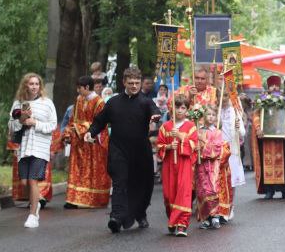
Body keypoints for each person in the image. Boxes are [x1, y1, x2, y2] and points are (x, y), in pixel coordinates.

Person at [88, 66, 162, 233]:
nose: (134, 86)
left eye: (137, 83)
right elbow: (100, 121)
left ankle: (140, 213)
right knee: (119, 182)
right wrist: (90, 132)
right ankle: (116, 217)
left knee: (142, 184)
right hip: (118, 149)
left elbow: (154, 111)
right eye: (131, 83)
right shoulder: (113, 102)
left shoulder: (145, 102)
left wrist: (155, 117)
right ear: (124, 82)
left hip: (140, 151)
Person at [9, 73, 57, 229]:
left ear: (40, 86)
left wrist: (35, 122)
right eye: (31, 84)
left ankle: (33, 214)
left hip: (40, 147)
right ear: (25, 85)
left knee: (33, 180)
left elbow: (52, 125)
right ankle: (35, 205)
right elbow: (11, 125)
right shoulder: (18, 103)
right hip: (24, 147)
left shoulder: (47, 103)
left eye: (37, 84)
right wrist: (22, 120)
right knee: (24, 182)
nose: (34, 87)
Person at [253, 75, 285, 199]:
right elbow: (256, 116)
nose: (275, 87)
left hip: (283, 140)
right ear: (268, 87)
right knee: (266, 162)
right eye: (272, 85)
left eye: (277, 85)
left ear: (280, 86)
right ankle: (269, 190)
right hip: (266, 139)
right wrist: (258, 129)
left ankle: (284, 189)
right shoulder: (261, 100)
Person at [65, 75, 110, 209]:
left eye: (80, 88)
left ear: (87, 87)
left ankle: (93, 199)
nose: (78, 91)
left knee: (91, 172)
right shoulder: (79, 99)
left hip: (93, 142)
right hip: (79, 142)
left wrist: (81, 128)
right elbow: (74, 119)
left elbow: (100, 124)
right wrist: (69, 131)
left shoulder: (99, 102)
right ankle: (73, 199)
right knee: (77, 170)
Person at [155, 95, 197, 235]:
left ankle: (182, 225)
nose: (179, 110)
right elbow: (159, 146)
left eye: (183, 108)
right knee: (169, 194)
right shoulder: (165, 127)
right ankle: (173, 219)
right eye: (177, 107)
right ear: (171, 108)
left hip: (184, 164)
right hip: (169, 165)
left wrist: (180, 136)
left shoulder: (191, 126)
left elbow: (194, 145)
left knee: (183, 192)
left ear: (187, 110)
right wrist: (168, 147)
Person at [195, 102, 229, 230]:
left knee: (213, 188)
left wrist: (203, 149)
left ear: (216, 117)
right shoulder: (199, 130)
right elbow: (194, 147)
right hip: (201, 166)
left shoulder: (218, 132)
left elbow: (217, 148)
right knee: (202, 190)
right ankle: (205, 218)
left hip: (213, 165)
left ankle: (215, 215)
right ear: (204, 116)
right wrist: (196, 148)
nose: (210, 117)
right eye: (208, 114)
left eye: (213, 115)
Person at [218, 84, 246, 220]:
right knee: (220, 180)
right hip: (218, 151)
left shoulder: (234, 110)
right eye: (221, 96)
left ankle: (230, 206)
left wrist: (238, 128)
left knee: (232, 180)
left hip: (232, 150)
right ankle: (221, 207)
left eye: (225, 96)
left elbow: (243, 132)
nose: (223, 99)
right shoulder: (216, 111)